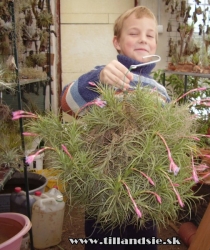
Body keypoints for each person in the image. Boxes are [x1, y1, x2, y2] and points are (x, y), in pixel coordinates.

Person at [61, 6, 170, 250]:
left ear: (155, 44)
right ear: (117, 42)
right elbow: (66, 103)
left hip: (145, 196)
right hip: (104, 194)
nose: (143, 39)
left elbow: (166, 143)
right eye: (133, 33)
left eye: (150, 35)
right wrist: (98, 78)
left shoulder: (160, 92)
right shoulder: (104, 77)